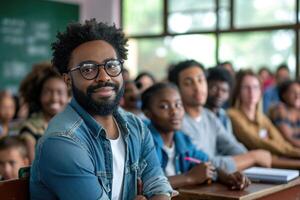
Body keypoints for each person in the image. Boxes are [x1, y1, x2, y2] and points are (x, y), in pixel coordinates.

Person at [30, 19, 172, 200]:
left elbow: (157, 183)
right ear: (67, 80)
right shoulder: (62, 141)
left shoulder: (135, 126)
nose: (104, 77)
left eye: (111, 65)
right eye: (88, 69)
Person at [142, 82, 250, 190]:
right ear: (148, 113)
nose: (174, 111)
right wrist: (188, 177)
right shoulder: (145, 143)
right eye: (164, 106)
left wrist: (227, 176)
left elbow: (207, 163)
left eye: (178, 105)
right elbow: (146, 184)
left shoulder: (182, 140)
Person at [168, 60, 272, 173]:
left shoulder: (209, 116)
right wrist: (252, 157)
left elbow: (231, 145)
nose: (197, 88)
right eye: (188, 83)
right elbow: (203, 164)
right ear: (177, 89)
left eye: (200, 80)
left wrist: (249, 157)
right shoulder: (177, 122)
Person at [228, 70, 300, 159]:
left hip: (274, 160)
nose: (251, 92)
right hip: (251, 166)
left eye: (255, 87)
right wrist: (295, 153)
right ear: (238, 91)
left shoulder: (262, 118)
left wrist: (293, 151)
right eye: (246, 87)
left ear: (260, 91)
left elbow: (280, 141)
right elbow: (257, 142)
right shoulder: (232, 115)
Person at [19, 62, 70, 163]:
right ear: (39, 96)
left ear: (69, 97)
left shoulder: (75, 124)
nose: (54, 98)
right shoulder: (30, 129)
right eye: (48, 92)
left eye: (60, 92)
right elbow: (33, 165)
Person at [269, 80, 300, 148]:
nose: (297, 96)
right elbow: (288, 139)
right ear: (284, 95)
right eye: (293, 92)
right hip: (288, 151)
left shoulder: (297, 111)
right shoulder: (280, 110)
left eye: (299, 92)